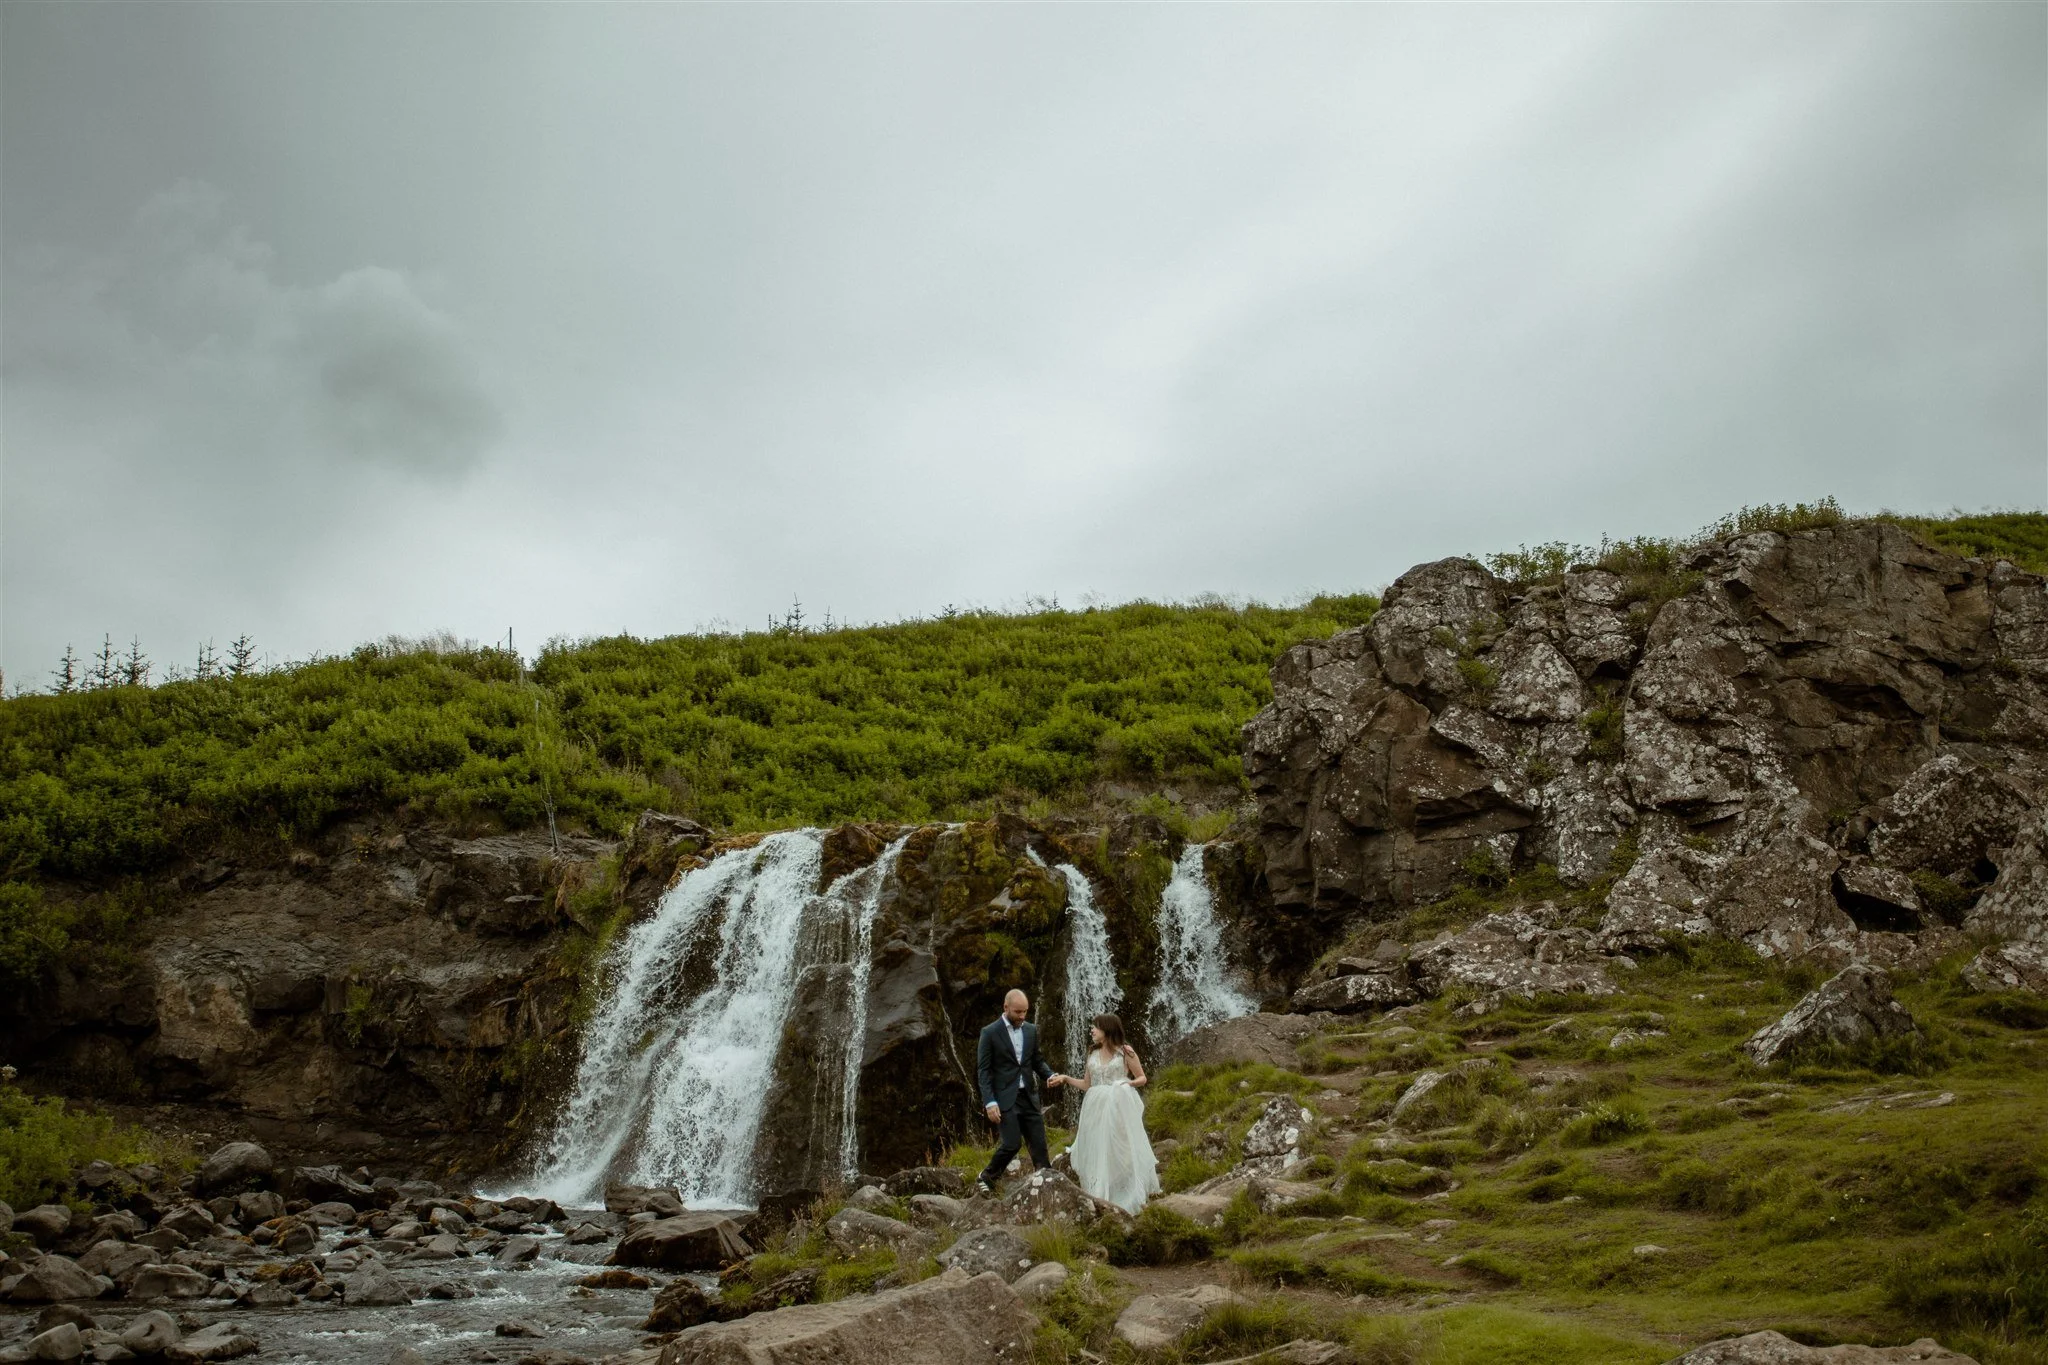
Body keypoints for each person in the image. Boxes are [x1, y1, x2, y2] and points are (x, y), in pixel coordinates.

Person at [1062, 1012, 1160, 1214]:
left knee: (1118, 1148)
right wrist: (1065, 1078)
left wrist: (1126, 1084)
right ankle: (1099, 1196)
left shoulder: (1125, 1052)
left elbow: (1142, 1078)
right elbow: (1087, 1084)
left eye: (1095, 1027)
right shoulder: (1092, 1054)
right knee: (1097, 1147)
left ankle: (1124, 1193)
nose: (1092, 1030)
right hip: (1094, 1107)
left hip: (1117, 1106)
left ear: (1107, 1029)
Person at [974, 989, 1068, 1196]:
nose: (1022, 1016)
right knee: (1011, 1143)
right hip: (1004, 1098)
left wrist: (1050, 1075)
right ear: (1005, 1008)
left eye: (1025, 1011)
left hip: (1029, 1096)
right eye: (1018, 1012)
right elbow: (983, 1071)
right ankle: (987, 1177)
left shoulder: (1031, 1030)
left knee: (1039, 1145)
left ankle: (1047, 1187)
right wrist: (990, 1102)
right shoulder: (989, 1033)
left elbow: (1036, 1060)